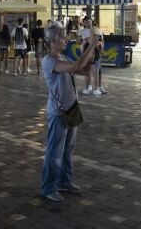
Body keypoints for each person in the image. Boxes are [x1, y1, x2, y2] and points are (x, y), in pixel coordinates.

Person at [40, 24, 99, 202]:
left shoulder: (62, 56)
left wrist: (93, 55)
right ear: (51, 41)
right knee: (54, 151)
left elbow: (83, 69)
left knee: (68, 149)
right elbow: (78, 65)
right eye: (62, 38)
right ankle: (48, 187)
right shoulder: (49, 61)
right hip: (58, 112)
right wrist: (91, 45)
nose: (65, 40)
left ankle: (65, 181)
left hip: (70, 109)